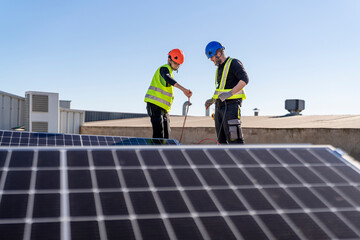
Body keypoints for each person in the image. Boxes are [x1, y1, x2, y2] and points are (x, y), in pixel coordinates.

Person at [204, 41, 249, 144]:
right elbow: (220, 89)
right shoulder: (219, 69)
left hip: (231, 107)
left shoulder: (234, 63)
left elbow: (245, 79)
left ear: (219, 53)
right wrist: (213, 100)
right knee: (221, 142)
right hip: (219, 108)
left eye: (212, 57)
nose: (211, 60)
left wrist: (230, 93)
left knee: (234, 140)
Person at [144, 49, 192, 139]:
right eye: (175, 63)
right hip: (154, 106)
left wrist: (167, 111)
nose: (177, 66)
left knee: (166, 135)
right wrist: (183, 90)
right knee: (159, 135)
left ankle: (164, 152)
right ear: (169, 60)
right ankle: (155, 152)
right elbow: (167, 78)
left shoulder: (170, 72)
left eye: (178, 64)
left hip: (164, 110)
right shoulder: (164, 69)